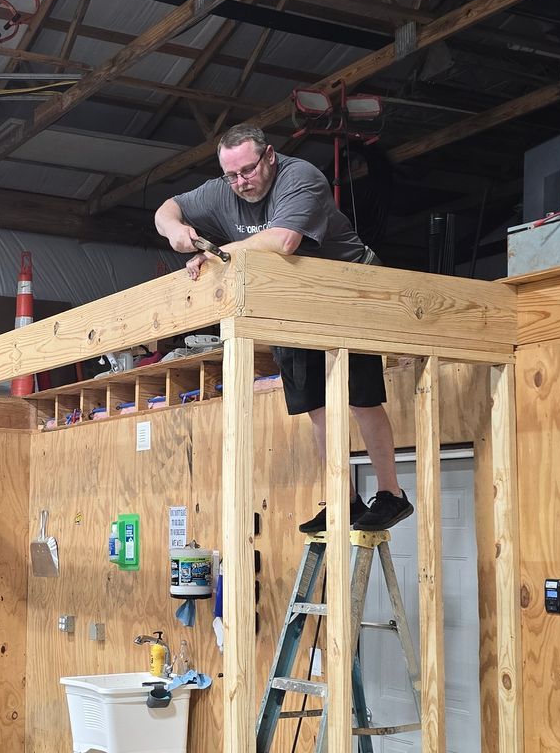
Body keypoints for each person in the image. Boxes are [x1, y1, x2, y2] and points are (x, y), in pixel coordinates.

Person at [153, 123, 412, 533]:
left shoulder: (301, 177)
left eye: (248, 171)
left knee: (360, 396)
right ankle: (342, 499)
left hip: (348, 288)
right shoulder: (223, 188)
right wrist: (176, 232)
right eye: (231, 176)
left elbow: (283, 242)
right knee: (317, 405)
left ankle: (392, 494)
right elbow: (166, 208)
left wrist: (216, 254)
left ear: (269, 155)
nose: (240, 183)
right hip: (289, 299)